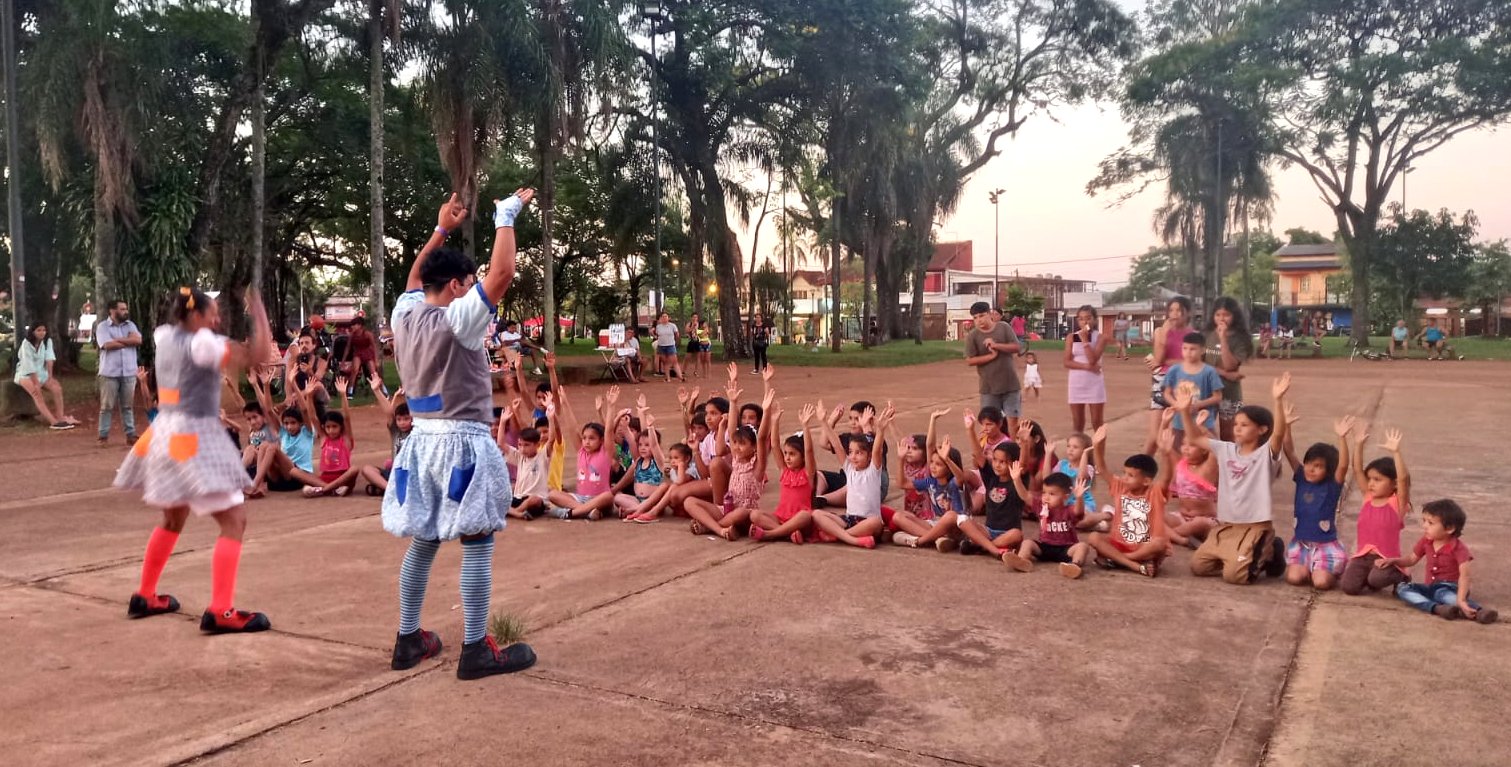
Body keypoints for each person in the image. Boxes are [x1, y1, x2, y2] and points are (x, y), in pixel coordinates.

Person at [382, 189, 537, 680]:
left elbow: (413, 278)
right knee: (477, 541)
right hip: (462, 443)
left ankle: (409, 638)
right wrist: (505, 216)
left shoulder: (404, 314)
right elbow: (503, 275)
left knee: (423, 541)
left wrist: (441, 229)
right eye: (467, 282)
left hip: (420, 443)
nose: (475, 288)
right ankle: (476, 649)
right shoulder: (459, 319)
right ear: (454, 286)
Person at [117, 286, 275, 633]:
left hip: (163, 433)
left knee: (173, 515)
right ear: (195, 315)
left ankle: (145, 594)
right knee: (234, 519)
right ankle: (221, 610)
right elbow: (258, 356)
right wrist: (259, 312)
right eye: (212, 312)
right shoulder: (202, 344)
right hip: (193, 436)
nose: (217, 318)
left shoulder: (165, 336)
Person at [1178, 372, 1290, 585]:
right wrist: (1184, 411)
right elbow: (1194, 437)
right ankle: (1248, 554)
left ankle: (1269, 548)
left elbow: (1278, 435)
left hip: (1255, 525)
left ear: (1262, 429)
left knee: (1236, 576)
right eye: (1236, 423)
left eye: (1244, 425)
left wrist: (1278, 400)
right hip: (1228, 524)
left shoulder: (1266, 454)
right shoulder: (1226, 449)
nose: (1237, 428)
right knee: (1198, 566)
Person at [1382, 500, 1498, 624]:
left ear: (1449, 528)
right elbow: (1411, 559)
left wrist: (1461, 599)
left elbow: (1465, 576)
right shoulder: (1426, 541)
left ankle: (1479, 611)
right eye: (1424, 521)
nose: (1424, 526)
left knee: (1443, 595)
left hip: (1450, 588)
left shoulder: (1459, 548)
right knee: (1402, 588)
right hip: (1430, 587)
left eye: (1430, 523)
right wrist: (1394, 561)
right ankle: (1437, 608)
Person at [684, 385, 776, 540]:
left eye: (743, 444)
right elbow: (732, 429)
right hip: (727, 509)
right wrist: (733, 402)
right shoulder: (736, 460)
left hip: (744, 515)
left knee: (740, 512)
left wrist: (766, 412)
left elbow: (761, 438)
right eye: (735, 443)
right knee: (689, 502)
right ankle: (721, 529)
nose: (737, 448)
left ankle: (710, 526)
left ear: (753, 447)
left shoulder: (757, 467)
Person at [1281, 412, 1353, 591]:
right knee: (1294, 578)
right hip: (1302, 544)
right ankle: (1310, 568)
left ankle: (1333, 571)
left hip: (1325, 546)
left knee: (1320, 583)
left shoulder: (1332, 485)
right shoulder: (1301, 477)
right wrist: (1287, 426)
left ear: (1328, 470)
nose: (1311, 469)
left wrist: (1342, 438)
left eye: (1318, 466)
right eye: (1309, 464)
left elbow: (1343, 465)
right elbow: (1288, 450)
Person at [1087, 425, 1170, 577]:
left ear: (1146, 481)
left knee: (1159, 543)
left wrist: (1166, 454)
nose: (1125, 478)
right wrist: (1097, 446)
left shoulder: (1154, 492)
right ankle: (1135, 565)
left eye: (1131, 475)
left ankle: (1119, 560)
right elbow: (1102, 468)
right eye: (1125, 473)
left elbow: (1167, 478)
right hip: (1119, 544)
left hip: (1143, 547)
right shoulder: (1121, 487)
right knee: (1093, 537)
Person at [1339, 425, 1412, 597]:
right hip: (1362, 558)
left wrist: (1396, 453)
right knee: (1348, 587)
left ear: (1393, 484)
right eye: (1370, 479)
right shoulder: (1368, 497)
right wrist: (1358, 444)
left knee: (1376, 580)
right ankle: (1368, 577)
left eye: (1377, 480)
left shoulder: (1397, 503)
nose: (1371, 483)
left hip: (1386, 559)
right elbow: (1357, 470)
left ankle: (1401, 575)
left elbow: (1403, 479)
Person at [811, 402, 892, 549]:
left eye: (859, 453)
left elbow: (877, 450)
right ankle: (850, 538)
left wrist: (880, 431)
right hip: (849, 519)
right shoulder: (849, 468)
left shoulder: (873, 470)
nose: (853, 457)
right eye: (851, 452)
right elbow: (836, 445)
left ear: (869, 457)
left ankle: (838, 535)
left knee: (875, 523)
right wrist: (824, 422)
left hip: (867, 522)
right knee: (816, 514)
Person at [748, 405, 819, 544]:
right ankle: (787, 534)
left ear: (803, 457)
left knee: (805, 515)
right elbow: (774, 445)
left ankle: (770, 534)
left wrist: (805, 426)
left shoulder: (807, 473)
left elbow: (809, 450)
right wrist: (775, 422)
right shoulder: (784, 471)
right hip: (780, 518)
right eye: (786, 453)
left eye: (792, 454)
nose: (787, 458)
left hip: (799, 521)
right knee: (754, 514)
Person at [961, 438, 1032, 569]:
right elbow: (979, 456)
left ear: (1014, 464)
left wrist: (1025, 443)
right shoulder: (991, 478)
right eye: (994, 460)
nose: (997, 465)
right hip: (988, 531)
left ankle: (981, 546)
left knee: (1017, 534)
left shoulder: (1017, 481)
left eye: (1003, 462)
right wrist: (970, 430)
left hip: (1007, 534)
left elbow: (1024, 465)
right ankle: (994, 549)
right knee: (963, 520)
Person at [889, 436, 967, 552]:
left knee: (950, 515)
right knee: (898, 516)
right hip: (937, 524)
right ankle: (938, 539)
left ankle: (920, 540)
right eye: (931, 462)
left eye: (939, 464)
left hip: (957, 526)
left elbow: (961, 477)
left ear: (949, 468)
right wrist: (901, 459)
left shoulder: (954, 483)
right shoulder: (930, 481)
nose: (933, 467)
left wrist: (947, 460)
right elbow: (902, 483)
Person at [1018, 470, 1094, 579]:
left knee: (1083, 546)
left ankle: (1074, 566)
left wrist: (1079, 497)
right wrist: (1016, 479)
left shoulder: (1069, 510)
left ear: (1065, 497)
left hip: (1066, 549)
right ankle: (1021, 560)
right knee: (1027, 543)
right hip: (1045, 546)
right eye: (1044, 492)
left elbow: (1079, 512)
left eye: (1052, 494)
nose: (1046, 497)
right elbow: (1025, 496)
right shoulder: (1041, 507)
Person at [1142, 296, 1192, 454]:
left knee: (1177, 433)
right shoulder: (1160, 332)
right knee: (1155, 434)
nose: (1174, 314)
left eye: (1179, 310)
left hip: (1183, 381)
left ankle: (1176, 474)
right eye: (1171, 310)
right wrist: (1164, 332)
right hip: (1162, 380)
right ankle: (1139, 469)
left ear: (1187, 313)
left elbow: (1191, 361)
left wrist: (1169, 362)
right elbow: (1158, 358)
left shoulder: (1193, 334)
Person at [964, 301, 1023, 434]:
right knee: (988, 424)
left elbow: (1016, 347)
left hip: (1010, 385)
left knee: (1012, 422)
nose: (979, 320)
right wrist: (990, 357)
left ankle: (1013, 452)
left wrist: (997, 346)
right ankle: (989, 452)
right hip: (988, 387)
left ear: (990, 314)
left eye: (982, 315)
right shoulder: (973, 336)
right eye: (975, 317)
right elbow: (969, 360)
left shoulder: (1003, 327)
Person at [1161, 331, 1224, 449]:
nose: (1188, 352)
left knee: (1208, 451)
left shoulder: (1209, 371)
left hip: (1202, 422)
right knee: (1178, 451)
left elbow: (1217, 396)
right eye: (1185, 348)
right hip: (1179, 422)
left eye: (1193, 349)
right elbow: (1167, 393)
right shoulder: (1174, 370)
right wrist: (1178, 405)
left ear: (1202, 350)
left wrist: (1199, 405)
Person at [1204, 296, 1254, 440]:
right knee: (1204, 430)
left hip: (1229, 393)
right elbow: (1199, 364)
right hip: (1207, 391)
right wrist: (1225, 374)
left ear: (1234, 316)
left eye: (1226, 315)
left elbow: (1230, 365)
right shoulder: (1207, 335)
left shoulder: (1240, 338)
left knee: (1228, 434)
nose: (1221, 318)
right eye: (1218, 314)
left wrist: (1223, 338)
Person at [95, 299, 143, 445]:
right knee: (106, 406)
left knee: (128, 406)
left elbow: (138, 341)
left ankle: (131, 434)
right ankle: (103, 436)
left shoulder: (131, 325)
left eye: (125, 309)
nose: (125, 312)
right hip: (109, 372)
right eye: (122, 309)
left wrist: (118, 340)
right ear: (112, 310)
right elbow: (107, 345)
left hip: (128, 371)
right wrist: (128, 340)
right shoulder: (102, 327)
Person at [301, 378, 357, 497]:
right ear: (324, 427)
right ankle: (330, 489)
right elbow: (313, 416)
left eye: (334, 427)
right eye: (328, 427)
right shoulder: (324, 439)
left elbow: (347, 418)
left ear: (341, 427)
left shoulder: (346, 439)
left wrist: (343, 395)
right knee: (300, 478)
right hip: (325, 477)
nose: (331, 430)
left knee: (354, 469)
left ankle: (324, 489)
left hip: (343, 477)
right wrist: (309, 396)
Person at [15, 322, 77, 429]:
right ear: (33, 332)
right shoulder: (26, 343)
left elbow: (49, 359)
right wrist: (36, 383)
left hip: (41, 372)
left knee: (56, 388)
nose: (42, 333)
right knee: (36, 393)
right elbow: (28, 365)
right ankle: (53, 422)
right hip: (25, 374)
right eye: (38, 330)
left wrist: (50, 377)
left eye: (43, 330)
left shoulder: (48, 341)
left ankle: (60, 417)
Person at [1064, 304, 1108, 433]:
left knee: (1097, 422)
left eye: (1088, 318)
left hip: (1094, 383)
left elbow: (1093, 359)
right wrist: (1086, 367)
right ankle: (1080, 451)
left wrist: (1085, 341)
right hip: (1076, 383)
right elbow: (1067, 362)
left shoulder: (1100, 337)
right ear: (1078, 321)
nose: (1085, 322)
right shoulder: (1072, 337)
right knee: (1078, 422)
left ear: (1094, 319)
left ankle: (1099, 452)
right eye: (1081, 319)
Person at [341, 316, 382, 395]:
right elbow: (348, 348)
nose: (352, 326)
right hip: (358, 353)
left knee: (373, 372)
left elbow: (374, 346)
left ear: (359, 325)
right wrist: (343, 360)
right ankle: (350, 391)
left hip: (367, 353)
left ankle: (383, 390)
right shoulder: (352, 335)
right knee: (354, 371)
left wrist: (376, 359)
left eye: (354, 325)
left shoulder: (367, 334)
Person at [652, 311, 683, 382]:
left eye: (666, 316)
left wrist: (674, 341)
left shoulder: (672, 326)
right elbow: (657, 335)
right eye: (663, 317)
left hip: (670, 345)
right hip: (661, 346)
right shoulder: (658, 327)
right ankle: (667, 378)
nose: (664, 318)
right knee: (665, 362)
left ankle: (680, 377)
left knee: (674, 361)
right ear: (660, 318)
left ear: (668, 318)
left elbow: (676, 334)